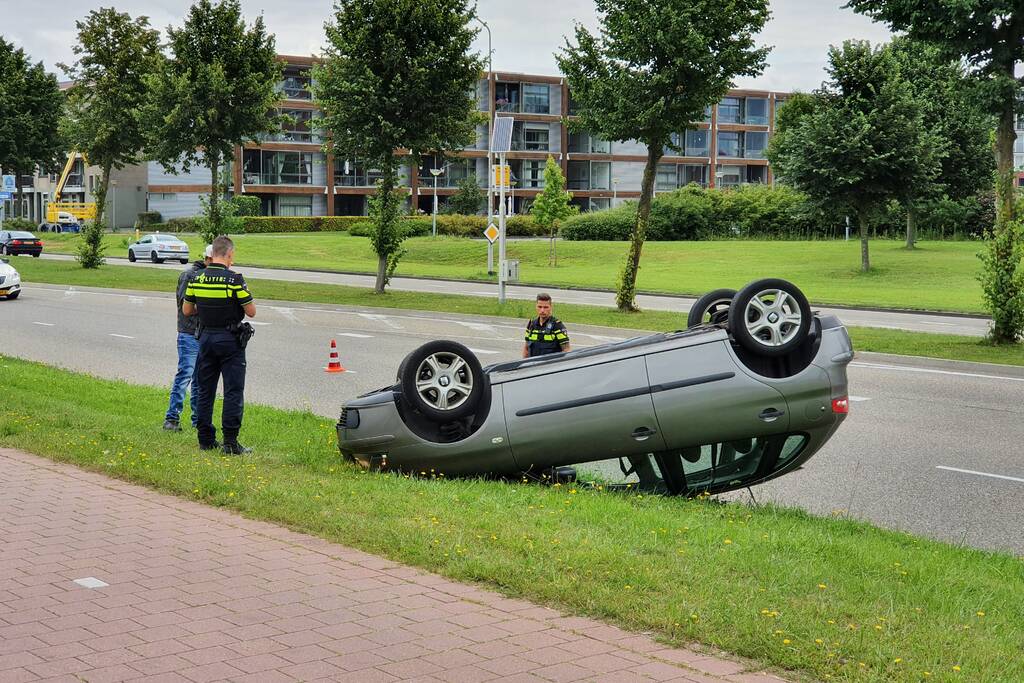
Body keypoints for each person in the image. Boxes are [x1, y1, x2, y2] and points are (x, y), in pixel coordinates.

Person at [182, 236, 256, 454]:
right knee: (233, 391)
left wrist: (206, 310)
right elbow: (251, 311)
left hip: (205, 338)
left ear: (212, 253)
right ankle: (231, 443)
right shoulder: (234, 280)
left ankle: (205, 439)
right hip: (229, 340)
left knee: (205, 390)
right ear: (229, 254)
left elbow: (187, 311)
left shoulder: (196, 279)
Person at [163, 244, 213, 431]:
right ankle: (172, 418)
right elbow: (186, 308)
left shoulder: (207, 276)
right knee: (185, 375)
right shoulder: (189, 276)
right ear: (208, 259)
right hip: (189, 333)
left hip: (203, 333)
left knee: (200, 379)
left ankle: (197, 419)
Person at [522, 292, 571, 358]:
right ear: (536, 307)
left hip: (550, 367)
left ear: (551, 307)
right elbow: (526, 349)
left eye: (545, 307)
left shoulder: (557, 326)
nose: (542, 310)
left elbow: (566, 350)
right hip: (533, 366)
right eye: (540, 307)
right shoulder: (531, 324)